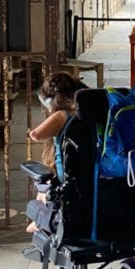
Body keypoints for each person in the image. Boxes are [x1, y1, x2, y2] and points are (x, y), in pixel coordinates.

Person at [25, 70, 87, 233]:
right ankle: (40, 222)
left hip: (68, 178)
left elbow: (36, 135)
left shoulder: (62, 115)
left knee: (42, 184)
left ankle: (39, 222)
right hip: (92, 174)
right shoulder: (89, 110)